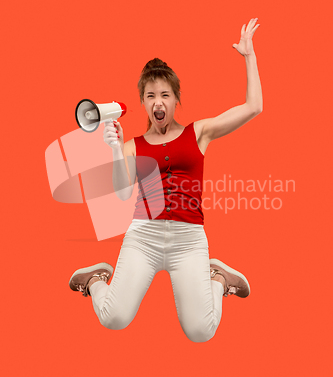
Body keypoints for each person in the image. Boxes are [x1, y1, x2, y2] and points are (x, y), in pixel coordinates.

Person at [69, 18, 262, 342]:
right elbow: (119, 193)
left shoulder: (198, 132)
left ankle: (217, 277)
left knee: (201, 331)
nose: (158, 102)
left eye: (165, 95)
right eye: (150, 95)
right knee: (113, 318)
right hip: (144, 239)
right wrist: (115, 148)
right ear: (144, 102)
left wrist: (249, 56)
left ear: (175, 100)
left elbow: (254, 107)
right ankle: (95, 280)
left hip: (189, 241)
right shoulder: (133, 145)